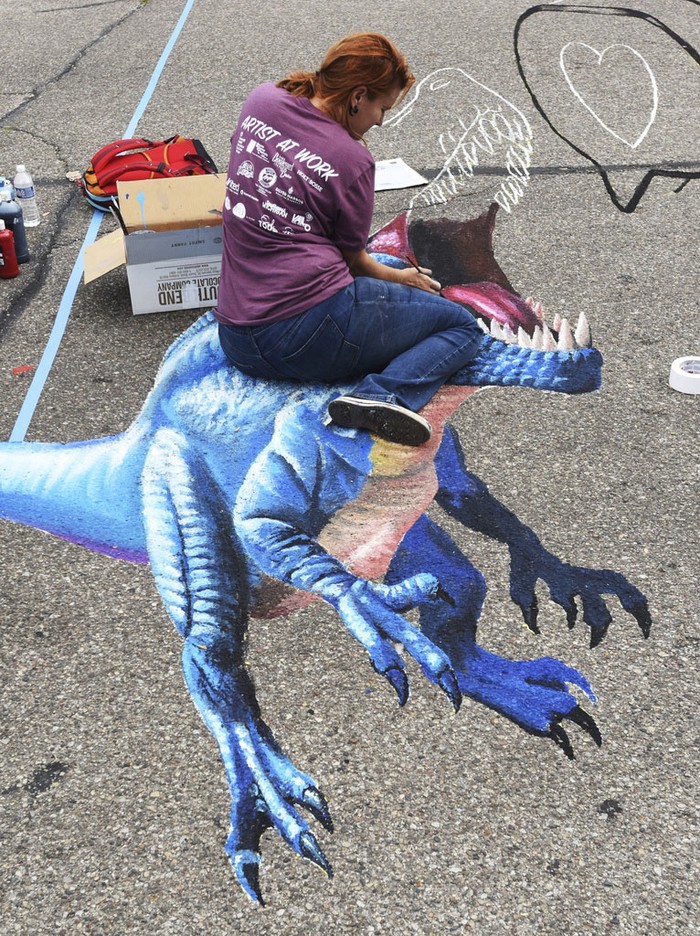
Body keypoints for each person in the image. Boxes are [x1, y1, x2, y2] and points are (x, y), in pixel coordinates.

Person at [216, 32, 483, 446]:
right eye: (381, 107)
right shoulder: (353, 159)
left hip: (236, 335)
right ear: (358, 96)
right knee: (460, 326)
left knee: (390, 271)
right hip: (303, 335)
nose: (380, 120)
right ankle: (381, 395)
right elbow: (355, 262)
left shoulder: (262, 101)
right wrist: (402, 280)